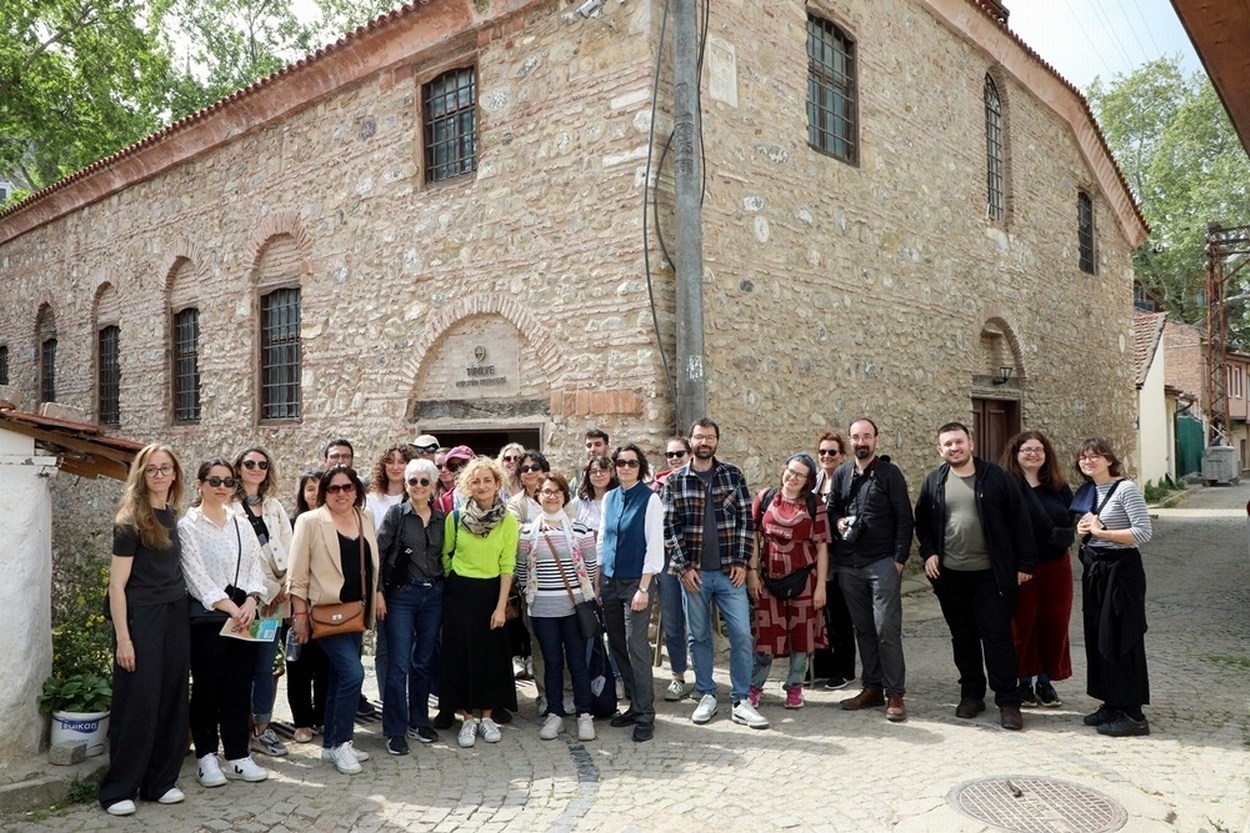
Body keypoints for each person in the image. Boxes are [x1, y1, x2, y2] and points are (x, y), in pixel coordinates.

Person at [914, 422, 1036, 731]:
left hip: (991, 576)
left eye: (958, 442)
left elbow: (1020, 520)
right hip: (952, 576)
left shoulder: (998, 478)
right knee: (963, 638)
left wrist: (1024, 563)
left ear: (971, 443)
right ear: (939, 450)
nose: (953, 448)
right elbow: (924, 522)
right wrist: (928, 552)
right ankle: (971, 695)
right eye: (947, 444)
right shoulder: (934, 481)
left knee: (997, 638)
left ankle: (1008, 702)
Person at [97, 444, 190, 817]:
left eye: (166, 468)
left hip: (175, 613)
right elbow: (116, 586)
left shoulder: (171, 513)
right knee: (138, 702)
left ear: (175, 474)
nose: (160, 475)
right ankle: (119, 788)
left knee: (171, 697)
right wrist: (124, 638)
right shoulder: (130, 520)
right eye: (152, 469)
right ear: (141, 475)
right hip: (141, 618)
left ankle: (160, 782)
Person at [662, 418, 769, 730]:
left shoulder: (732, 475)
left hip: (728, 573)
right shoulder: (675, 480)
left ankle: (740, 700)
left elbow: (745, 524)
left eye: (709, 437)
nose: (704, 442)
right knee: (699, 636)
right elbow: (670, 527)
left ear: (717, 441)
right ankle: (706, 693)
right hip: (693, 574)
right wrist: (683, 568)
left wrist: (741, 562)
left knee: (741, 635)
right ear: (691, 441)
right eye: (698, 437)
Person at [180, 459, 270, 787]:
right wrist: (231, 607)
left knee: (238, 685)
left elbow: (254, 565)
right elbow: (195, 575)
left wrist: (250, 601)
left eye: (228, 482)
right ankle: (206, 756)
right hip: (209, 618)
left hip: (243, 616)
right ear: (200, 483)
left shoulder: (240, 521)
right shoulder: (187, 525)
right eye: (214, 481)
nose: (222, 487)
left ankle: (237, 754)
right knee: (207, 688)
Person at [289, 465, 380, 775]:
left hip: (357, 612)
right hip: (325, 613)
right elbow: (297, 575)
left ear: (357, 490)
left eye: (348, 487)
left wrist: (376, 595)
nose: (342, 493)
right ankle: (341, 742)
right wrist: (300, 615)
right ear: (324, 492)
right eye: (334, 488)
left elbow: (371, 563)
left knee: (341, 677)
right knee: (354, 674)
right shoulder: (310, 522)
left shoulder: (364, 517)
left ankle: (331, 745)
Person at [827, 419, 915, 721]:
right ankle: (872, 687)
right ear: (849, 441)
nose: (861, 442)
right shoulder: (841, 473)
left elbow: (905, 517)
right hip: (849, 564)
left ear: (876, 439)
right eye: (855, 437)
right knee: (863, 629)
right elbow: (832, 509)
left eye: (866, 436)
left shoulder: (889, 474)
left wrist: (899, 559)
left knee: (886, 629)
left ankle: (895, 693)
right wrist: (839, 522)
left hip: (882, 563)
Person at [1072, 438, 1153, 737]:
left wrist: (1101, 532)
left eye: (1094, 456)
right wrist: (1084, 532)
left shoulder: (1126, 489)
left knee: (1123, 636)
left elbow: (1143, 532)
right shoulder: (1090, 490)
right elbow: (1093, 529)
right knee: (1099, 637)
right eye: (1082, 457)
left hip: (1122, 572)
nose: (1088, 461)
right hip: (1096, 569)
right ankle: (1112, 702)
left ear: (1109, 459)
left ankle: (1133, 714)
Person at [440, 456, 520, 748]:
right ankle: (467, 719)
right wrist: (456, 584)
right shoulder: (456, 518)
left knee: (490, 657)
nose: (482, 486)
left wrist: (501, 606)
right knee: (461, 656)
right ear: (467, 486)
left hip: (492, 594)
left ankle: (487, 717)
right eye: (476, 481)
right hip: (460, 594)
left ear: (497, 483)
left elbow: (507, 564)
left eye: (488, 480)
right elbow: (446, 556)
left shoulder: (508, 521)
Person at [516, 473, 599, 742]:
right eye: (547, 491)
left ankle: (585, 714)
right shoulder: (527, 533)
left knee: (577, 662)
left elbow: (590, 565)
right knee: (552, 663)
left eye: (557, 491)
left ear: (565, 496)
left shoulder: (581, 530)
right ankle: (555, 713)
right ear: (537, 495)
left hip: (574, 607)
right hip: (541, 609)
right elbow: (521, 571)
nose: (552, 496)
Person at [747, 452, 831, 710]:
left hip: (804, 580)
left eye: (800, 475)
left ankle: (795, 688)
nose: (793, 477)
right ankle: (754, 687)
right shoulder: (765, 498)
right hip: (769, 580)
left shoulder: (815, 505)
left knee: (801, 639)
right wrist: (752, 573)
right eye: (791, 471)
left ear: (808, 480)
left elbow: (822, 548)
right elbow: (754, 537)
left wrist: (821, 588)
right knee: (765, 638)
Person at [375, 458, 446, 755]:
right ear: (405, 485)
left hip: (434, 595)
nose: (418, 486)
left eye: (423, 481)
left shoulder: (443, 518)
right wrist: (378, 592)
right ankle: (394, 729)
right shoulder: (396, 515)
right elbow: (376, 554)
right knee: (399, 664)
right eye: (412, 481)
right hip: (402, 597)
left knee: (424, 662)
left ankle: (418, 720)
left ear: (432, 486)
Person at [1000, 431, 1075, 709]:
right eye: (1027, 450)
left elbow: (1071, 519)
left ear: (1047, 455)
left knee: (1053, 625)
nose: (1033, 454)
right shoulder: (1007, 486)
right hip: (1022, 571)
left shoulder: (1057, 486)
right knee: (1022, 627)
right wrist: (1018, 564)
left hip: (1056, 567)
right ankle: (1023, 684)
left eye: (1039, 450)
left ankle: (1045, 682)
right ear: (1015, 454)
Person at [230, 446, 293, 760]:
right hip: (244, 602)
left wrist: (283, 588)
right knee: (238, 666)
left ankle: (262, 729)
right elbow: (236, 557)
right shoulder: (229, 507)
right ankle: (236, 729)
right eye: (249, 463)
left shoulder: (274, 506)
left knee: (264, 666)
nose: (256, 468)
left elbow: (290, 547)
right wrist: (264, 593)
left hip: (274, 603)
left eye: (262, 464)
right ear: (238, 467)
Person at [599, 444, 664, 742]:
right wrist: (599, 580)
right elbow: (603, 538)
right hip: (610, 581)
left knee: (636, 645)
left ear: (641, 467)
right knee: (617, 645)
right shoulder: (610, 498)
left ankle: (646, 714)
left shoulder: (650, 499)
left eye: (632, 463)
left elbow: (654, 546)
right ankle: (634, 706)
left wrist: (643, 587)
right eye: (621, 462)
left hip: (636, 581)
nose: (626, 467)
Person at [366, 444, 414, 698]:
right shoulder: (372, 501)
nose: (396, 467)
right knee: (386, 645)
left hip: (414, 581)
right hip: (384, 580)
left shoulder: (417, 495)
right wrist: (377, 588)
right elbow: (371, 546)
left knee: (414, 647)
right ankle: (389, 699)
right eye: (391, 461)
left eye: (402, 462)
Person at [285, 470, 329, 744]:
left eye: (319, 487)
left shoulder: (334, 523)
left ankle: (322, 717)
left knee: (325, 666)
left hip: (325, 607)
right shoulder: (292, 524)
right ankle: (302, 722)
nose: (315, 493)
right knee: (298, 667)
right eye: (309, 488)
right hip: (297, 606)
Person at [811, 431, 856, 690]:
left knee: (840, 615)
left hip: (840, 558)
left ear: (842, 456)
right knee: (821, 615)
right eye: (823, 452)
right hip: (818, 558)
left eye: (832, 452)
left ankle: (845, 669)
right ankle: (824, 665)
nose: (827, 456)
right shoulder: (814, 482)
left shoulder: (846, 481)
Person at [651, 437, 694, 701]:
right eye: (670, 455)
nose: (675, 458)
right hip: (667, 561)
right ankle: (678, 675)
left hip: (696, 560)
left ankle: (703, 678)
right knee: (673, 619)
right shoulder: (657, 488)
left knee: (697, 621)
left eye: (679, 454)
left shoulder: (700, 482)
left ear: (689, 454)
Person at [572, 454, 617, 536]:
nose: (598, 475)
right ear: (588, 476)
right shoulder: (579, 501)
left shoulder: (618, 499)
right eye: (594, 472)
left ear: (611, 473)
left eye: (603, 471)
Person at [435, 445, 475, 513]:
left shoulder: (490, 491)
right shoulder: (442, 502)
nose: (459, 469)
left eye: (463, 463)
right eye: (453, 467)